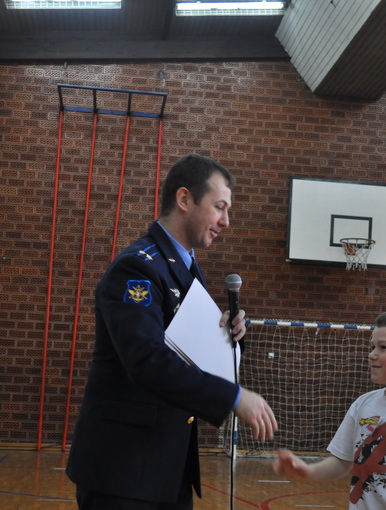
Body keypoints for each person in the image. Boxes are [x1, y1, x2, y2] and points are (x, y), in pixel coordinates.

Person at [66, 153, 278, 509]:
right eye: (219, 207)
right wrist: (233, 397)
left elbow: (183, 350)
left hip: (166, 466)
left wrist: (227, 338)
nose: (226, 221)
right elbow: (147, 360)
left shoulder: (184, 267)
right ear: (184, 199)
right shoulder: (137, 268)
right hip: (125, 470)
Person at [273, 309, 386, 510]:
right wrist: (307, 471)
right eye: (372, 346)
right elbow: (341, 462)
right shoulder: (363, 404)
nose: (372, 354)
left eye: (383, 347)